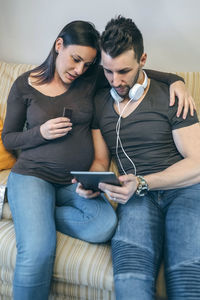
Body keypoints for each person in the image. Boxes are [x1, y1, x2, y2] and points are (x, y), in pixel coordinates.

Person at [2, 19, 195, 300]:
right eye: (76, 60)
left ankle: (32, 213)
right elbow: (9, 138)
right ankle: (30, 210)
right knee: (47, 253)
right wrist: (41, 134)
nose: (79, 69)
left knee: (110, 228)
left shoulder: (100, 83)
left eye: (87, 65)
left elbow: (198, 163)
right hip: (44, 177)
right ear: (59, 46)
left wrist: (177, 80)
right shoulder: (37, 86)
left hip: (94, 183)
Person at [76, 16, 200, 300]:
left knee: (187, 275)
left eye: (124, 71)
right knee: (130, 278)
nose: (116, 81)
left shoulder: (171, 96)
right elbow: (99, 160)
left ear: (143, 59)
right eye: (108, 71)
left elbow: (197, 163)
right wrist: (93, 181)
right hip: (135, 198)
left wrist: (144, 181)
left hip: (184, 192)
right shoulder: (100, 102)